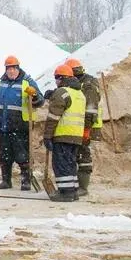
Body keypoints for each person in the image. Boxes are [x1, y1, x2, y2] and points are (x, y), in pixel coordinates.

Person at [0, 55, 44, 191]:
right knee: (5, 156)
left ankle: (26, 181)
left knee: (22, 155)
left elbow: (40, 101)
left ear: (18, 69)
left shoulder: (27, 82)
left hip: (21, 127)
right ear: (5, 70)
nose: (11, 71)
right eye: (9, 69)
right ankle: (6, 181)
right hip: (3, 126)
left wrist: (34, 96)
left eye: (13, 68)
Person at [42, 63, 88, 202]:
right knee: (70, 163)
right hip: (76, 135)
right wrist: (53, 95)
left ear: (61, 78)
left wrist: (47, 136)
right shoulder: (79, 93)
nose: (55, 82)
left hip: (63, 134)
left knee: (61, 164)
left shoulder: (62, 92)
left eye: (56, 78)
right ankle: (73, 191)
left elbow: (53, 117)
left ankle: (65, 193)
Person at [65, 57, 103, 197]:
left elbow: (91, 109)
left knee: (83, 154)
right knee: (76, 153)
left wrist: (87, 129)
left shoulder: (87, 85)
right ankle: (76, 184)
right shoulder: (79, 83)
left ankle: (83, 186)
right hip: (78, 125)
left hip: (86, 125)